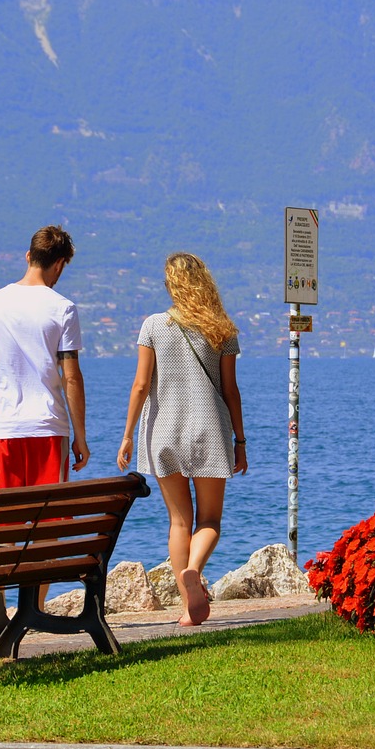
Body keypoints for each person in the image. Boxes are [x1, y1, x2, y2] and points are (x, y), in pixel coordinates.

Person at [117, 252, 247, 626]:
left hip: (163, 432)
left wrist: (127, 436)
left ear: (171, 284)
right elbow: (231, 390)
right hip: (210, 430)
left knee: (178, 522)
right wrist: (240, 441)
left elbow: (141, 385)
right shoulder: (222, 328)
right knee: (210, 520)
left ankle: (186, 607)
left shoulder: (153, 326)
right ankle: (194, 571)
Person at [0, 225, 90, 634]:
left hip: (3, 428)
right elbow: (71, 378)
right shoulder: (62, 307)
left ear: (27, 256)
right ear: (59, 264)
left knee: (5, 520)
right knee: (48, 528)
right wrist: (81, 435)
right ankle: (29, 614)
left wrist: (1, 412)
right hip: (47, 428)